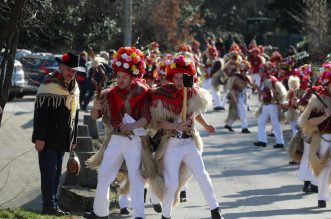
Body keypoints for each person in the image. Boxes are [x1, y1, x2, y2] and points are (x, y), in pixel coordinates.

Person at [149, 54, 224, 219]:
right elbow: (158, 123)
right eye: (175, 78)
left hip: (189, 143)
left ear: (189, 77)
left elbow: (195, 113)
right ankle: (166, 215)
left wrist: (205, 125)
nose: (178, 81)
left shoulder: (193, 94)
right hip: (171, 144)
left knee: (202, 175)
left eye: (182, 78)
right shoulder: (163, 94)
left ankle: (215, 210)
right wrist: (175, 126)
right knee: (171, 183)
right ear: (171, 77)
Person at [83, 47, 153, 219]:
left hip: (133, 140)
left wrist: (133, 126)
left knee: (135, 177)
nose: (121, 80)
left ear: (132, 76)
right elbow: (94, 116)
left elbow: (146, 117)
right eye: (119, 76)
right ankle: (100, 212)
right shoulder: (109, 94)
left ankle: (139, 215)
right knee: (104, 174)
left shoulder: (142, 91)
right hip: (114, 138)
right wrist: (95, 108)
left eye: (125, 77)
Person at [32, 52, 83, 216]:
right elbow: (41, 114)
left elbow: (75, 114)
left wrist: (73, 139)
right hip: (47, 138)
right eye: (69, 69)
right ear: (61, 66)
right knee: (48, 173)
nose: (71, 73)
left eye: (74, 71)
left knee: (56, 174)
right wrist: (39, 138)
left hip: (63, 138)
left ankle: (53, 204)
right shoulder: (49, 83)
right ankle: (48, 205)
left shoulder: (74, 86)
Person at [299, 68, 331, 208]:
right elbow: (309, 122)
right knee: (325, 167)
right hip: (326, 137)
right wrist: (325, 115)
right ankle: (322, 197)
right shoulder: (320, 99)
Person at [254, 62, 287, 148]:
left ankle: (280, 142)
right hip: (266, 105)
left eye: (261, 72)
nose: (259, 73)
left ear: (265, 72)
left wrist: (257, 88)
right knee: (261, 122)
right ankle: (262, 141)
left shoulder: (269, 81)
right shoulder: (266, 80)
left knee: (275, 124)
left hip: (272, 105)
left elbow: (266, 95)